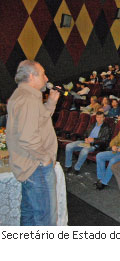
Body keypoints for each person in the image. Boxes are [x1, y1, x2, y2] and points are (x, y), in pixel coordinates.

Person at [6, 60, 60, 225]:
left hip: (30, 166)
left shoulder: (22, 95)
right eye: (43, 74)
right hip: (36, 166)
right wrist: (45, 159)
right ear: (31, 76)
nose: (46, 78)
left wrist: (51, 102)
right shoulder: (28, 99)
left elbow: (39, 122)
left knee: (29, 216)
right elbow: (28, 137)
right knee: (45, 221)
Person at [94, 117, 120, 190]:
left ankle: (104, 182)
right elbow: (113, 141)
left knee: (112, 160)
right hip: (116, 151)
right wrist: (113, 146)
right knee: (99, 156)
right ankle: (101, 178)